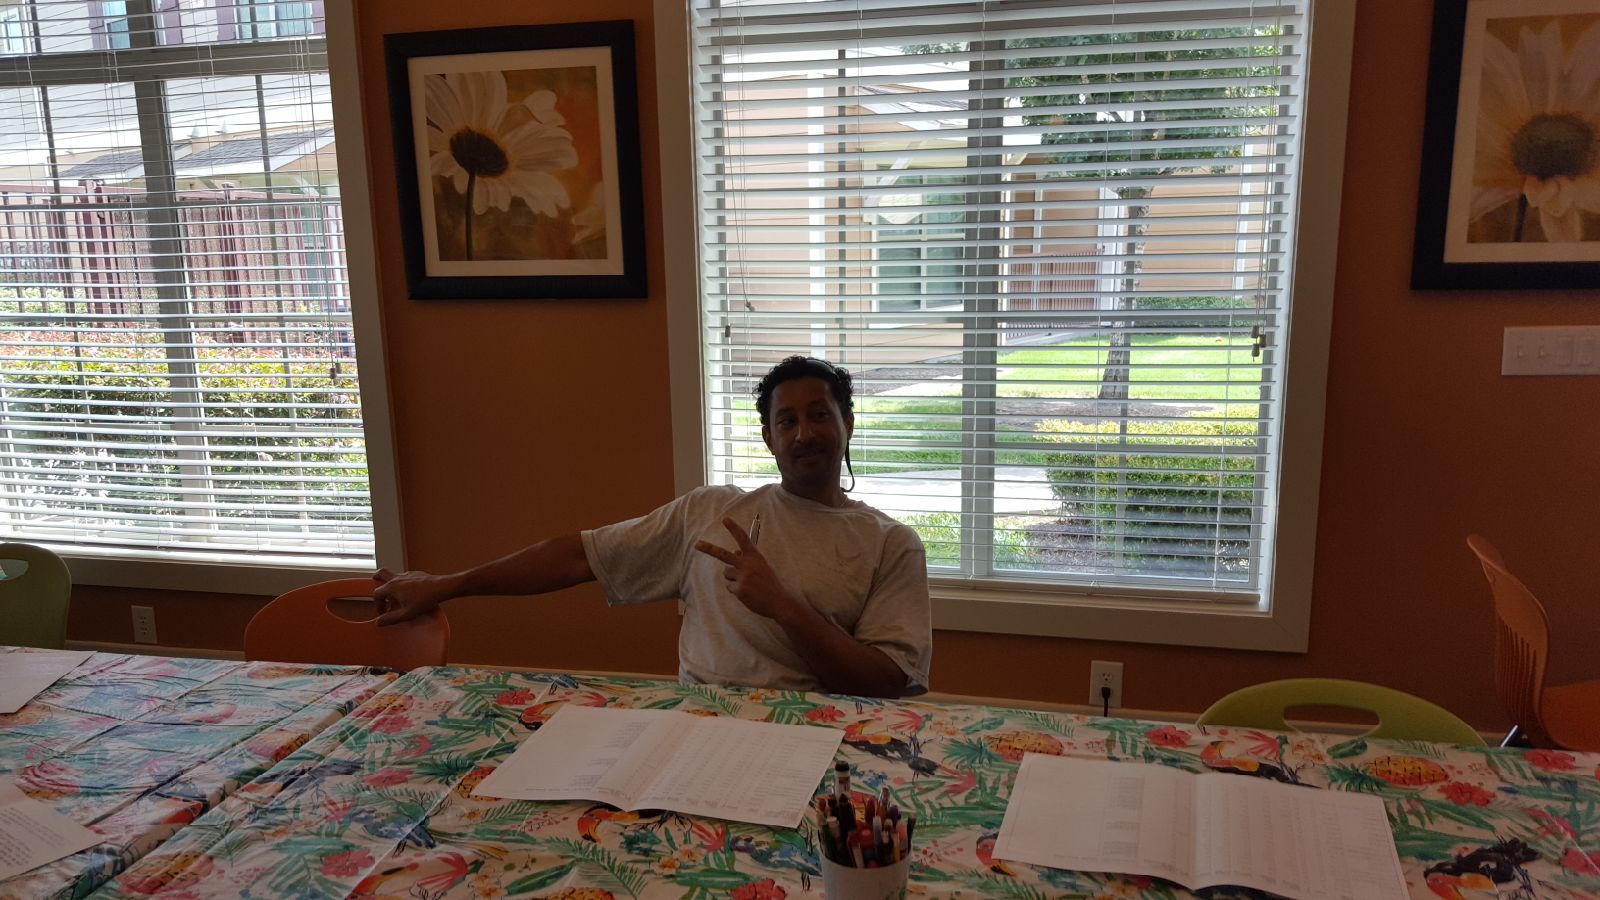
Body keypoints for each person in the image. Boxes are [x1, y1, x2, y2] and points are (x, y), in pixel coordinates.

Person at [372, 356, 931, 698]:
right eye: (787, 420)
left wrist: (783, 605)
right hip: (696, 723)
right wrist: (443, 586)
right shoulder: (711, 512)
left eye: (819, 415)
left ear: (847, 424)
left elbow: (885, 684)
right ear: (768, 438)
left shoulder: (890, 545)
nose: (804, 433)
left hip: (817, 738)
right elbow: (576, 557)